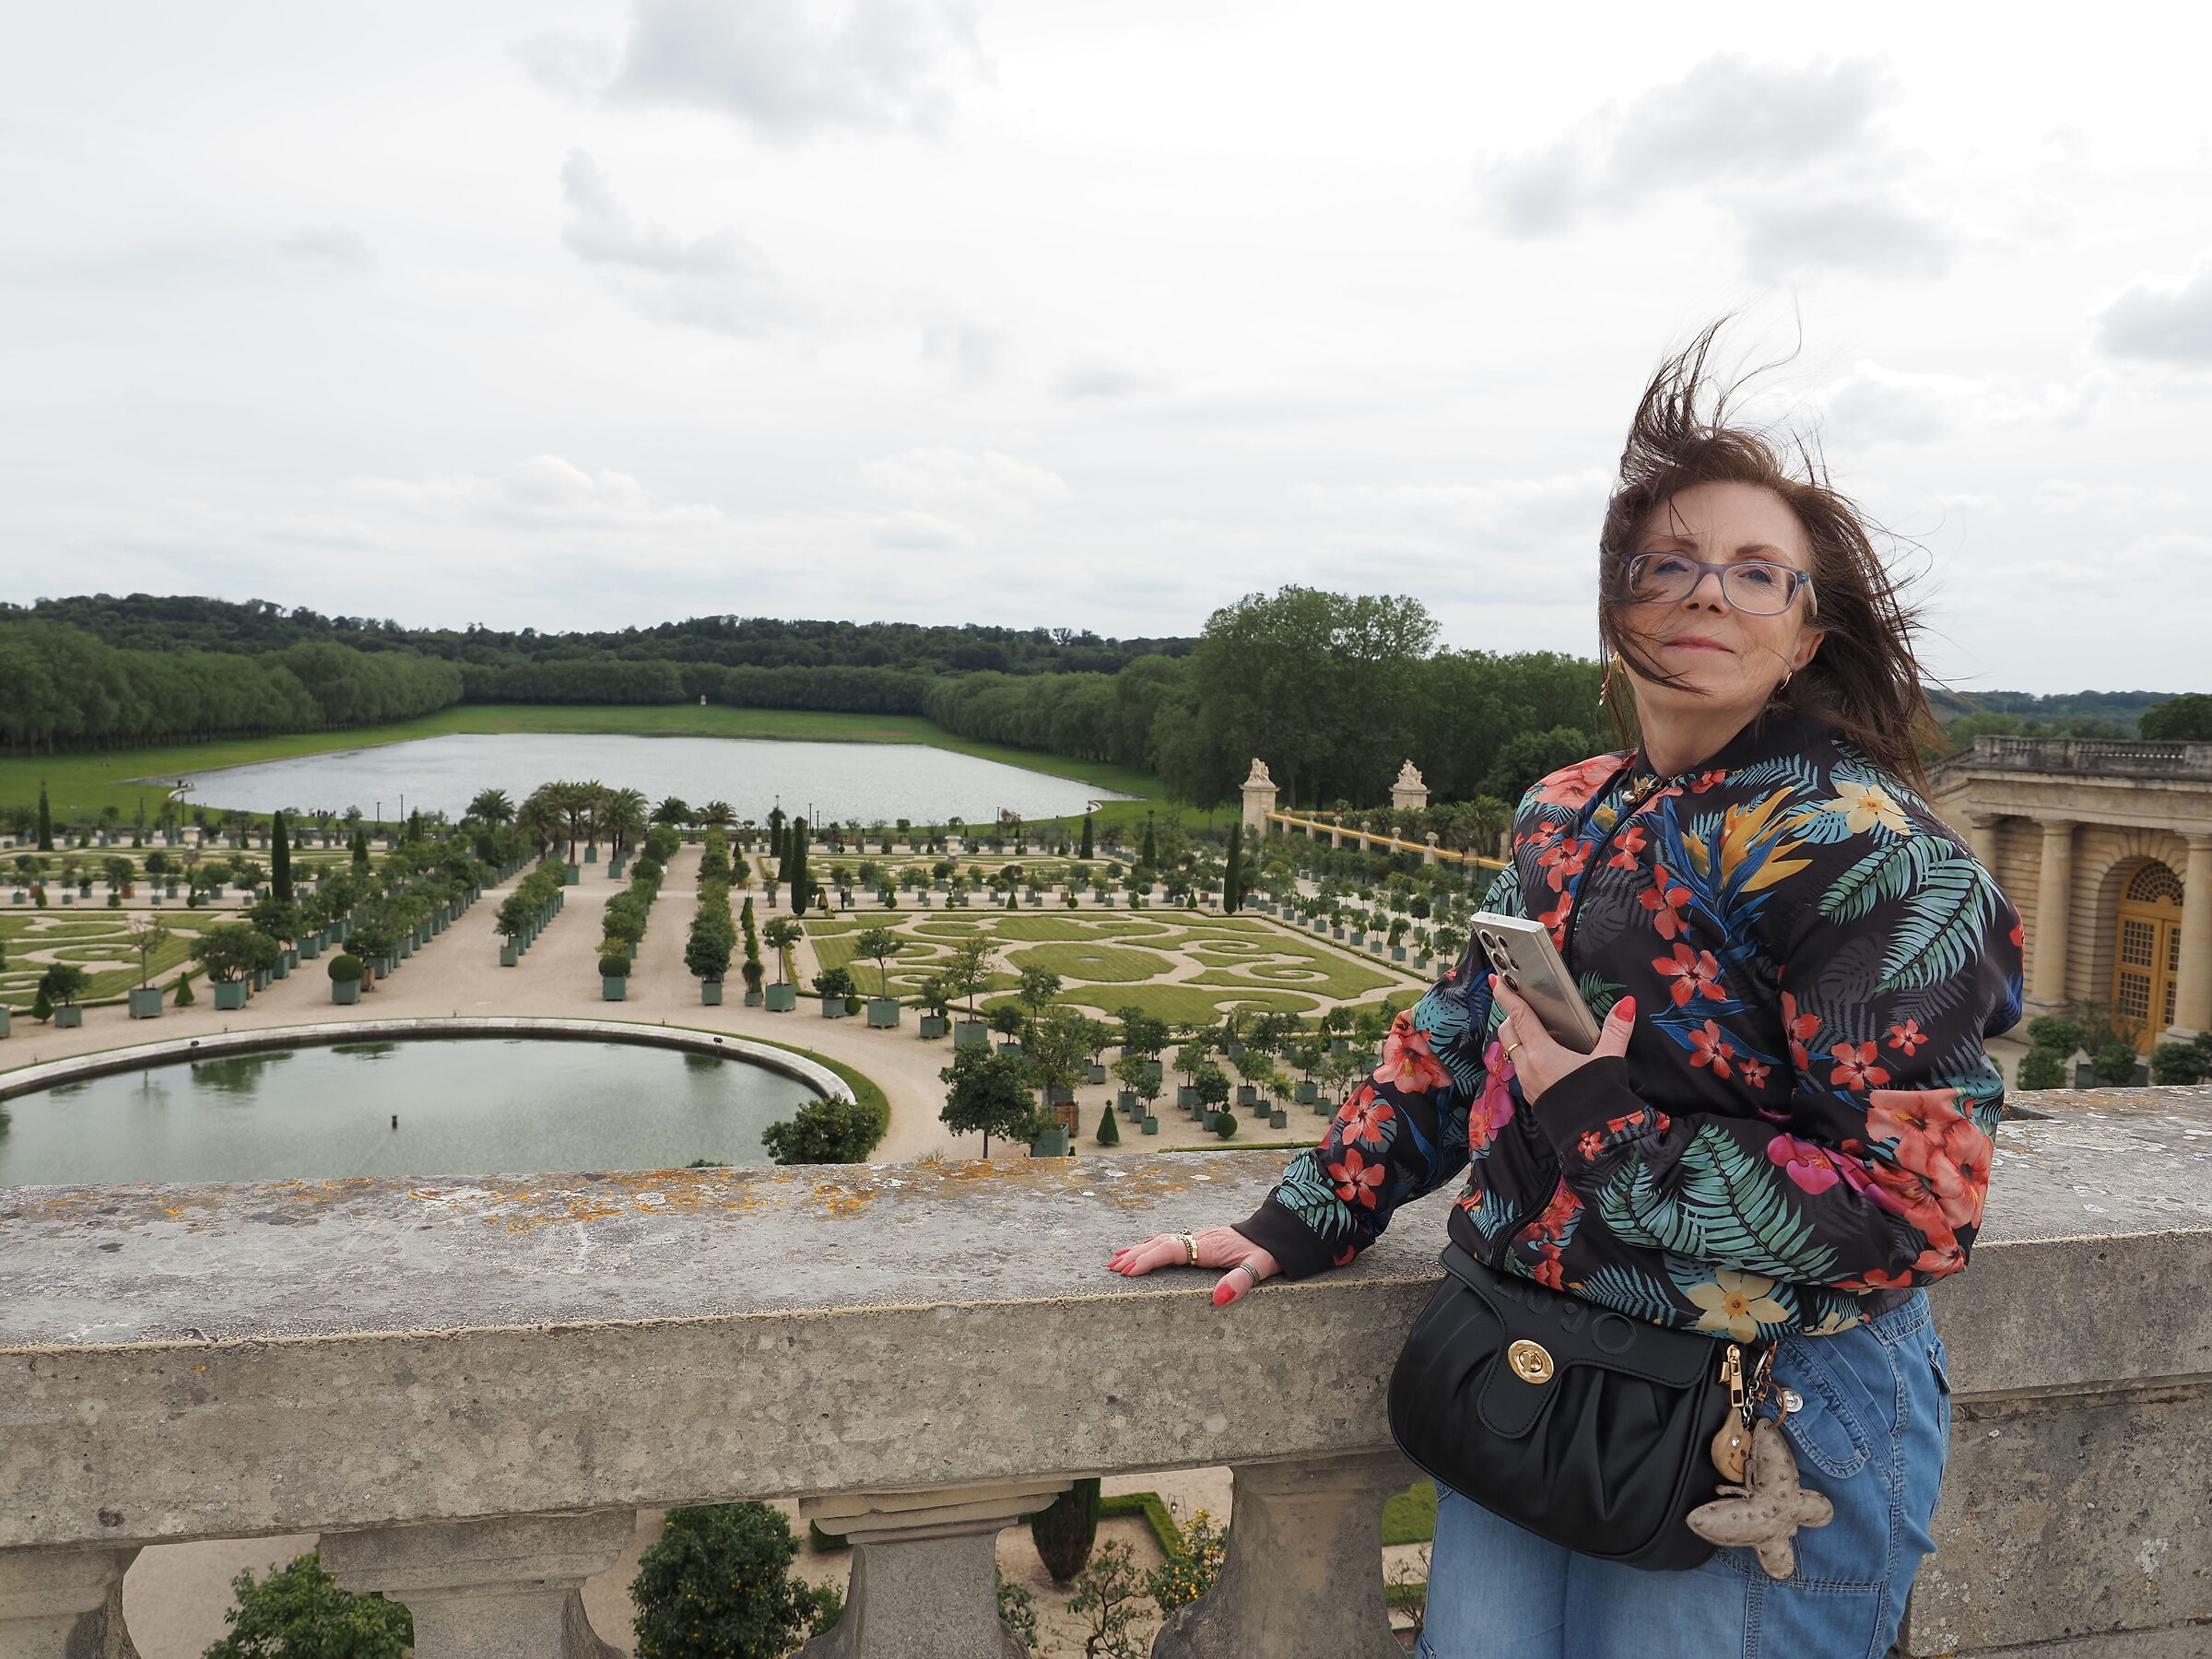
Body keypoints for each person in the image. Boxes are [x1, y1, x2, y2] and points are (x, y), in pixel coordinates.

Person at [1109, 326, 2026, 1658]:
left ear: (1805, 634)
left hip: (1760, 1419)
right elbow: (1463, 1033)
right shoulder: (1568, 808)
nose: (1708, 595)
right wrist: (1301, 1218)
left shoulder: (1873, 853)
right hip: (1533, 1375)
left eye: (1757, 574)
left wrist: (1605, 1126)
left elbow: (1917, 1210)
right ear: (1617, 603)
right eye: (1673, 563)